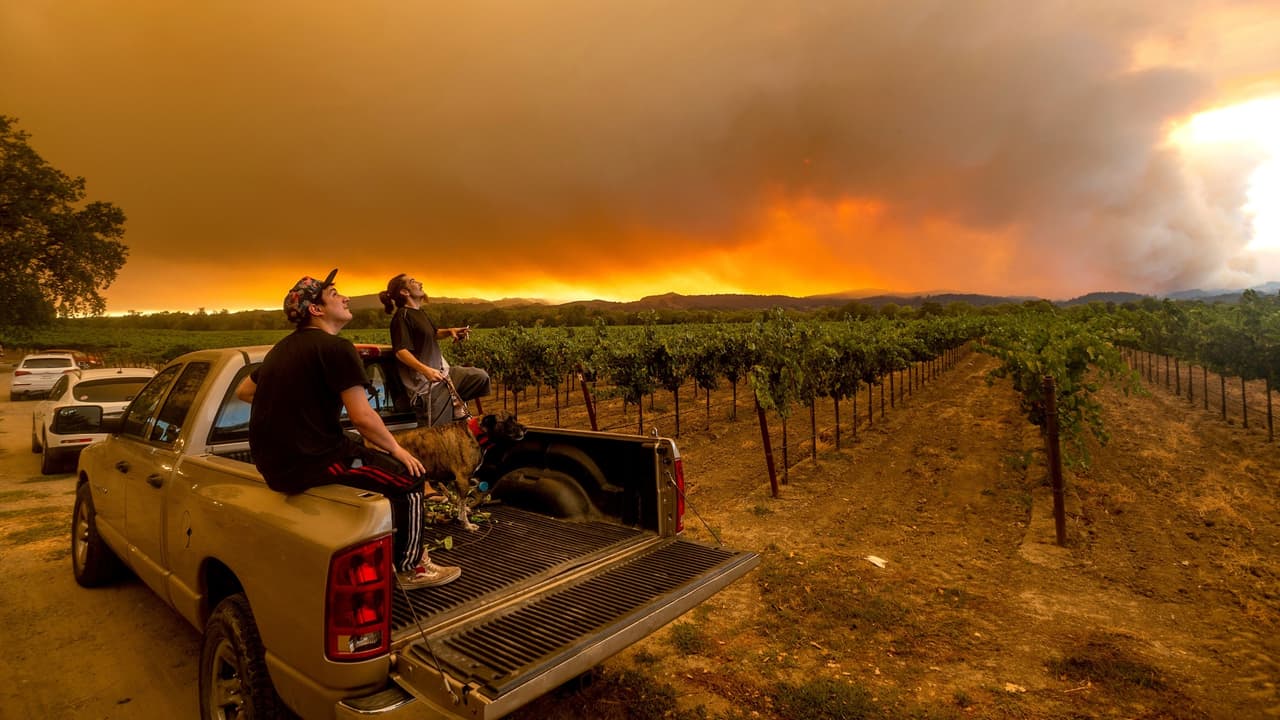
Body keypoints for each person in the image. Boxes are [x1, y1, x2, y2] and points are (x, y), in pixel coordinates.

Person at [235, 268, 460, 588]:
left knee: (358, 448)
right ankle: (412, 568)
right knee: (409, 476)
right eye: (335, 294)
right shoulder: (337, 348)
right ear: (316, 310)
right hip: (321, 464)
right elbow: (362, 417)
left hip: (276, 466)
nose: (346, 298)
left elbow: (245, 391)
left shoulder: (281, 350)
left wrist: (297, 406)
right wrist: (398, 450)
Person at [380, 273, 490, 427]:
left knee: (480, 377)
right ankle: (446, 407)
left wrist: (451, 331)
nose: (420, 283)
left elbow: (433, 333)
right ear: (404, 292)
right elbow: (401, 351)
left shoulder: (420, 313)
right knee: (439, 437)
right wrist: (426, 371)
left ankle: (451, 403)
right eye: (413, 281)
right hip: (428, 387)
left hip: (444, 376)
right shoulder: (401, 317)